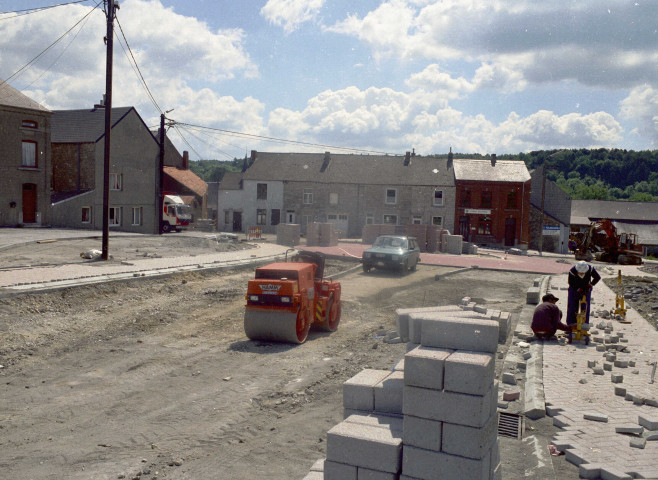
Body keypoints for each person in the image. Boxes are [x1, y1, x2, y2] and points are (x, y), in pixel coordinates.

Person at [566, 260, 601, 326]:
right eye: (580, 273)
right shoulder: (572, 271)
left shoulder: (590, 269)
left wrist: (590, 285)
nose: (581, 274)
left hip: (586, 288)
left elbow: (597, 277)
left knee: (585, 306)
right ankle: (571, 324)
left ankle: (584, 323)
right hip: (574, 289)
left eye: (583, 273)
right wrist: (578, 289)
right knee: (572, 305)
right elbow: (571, 282)